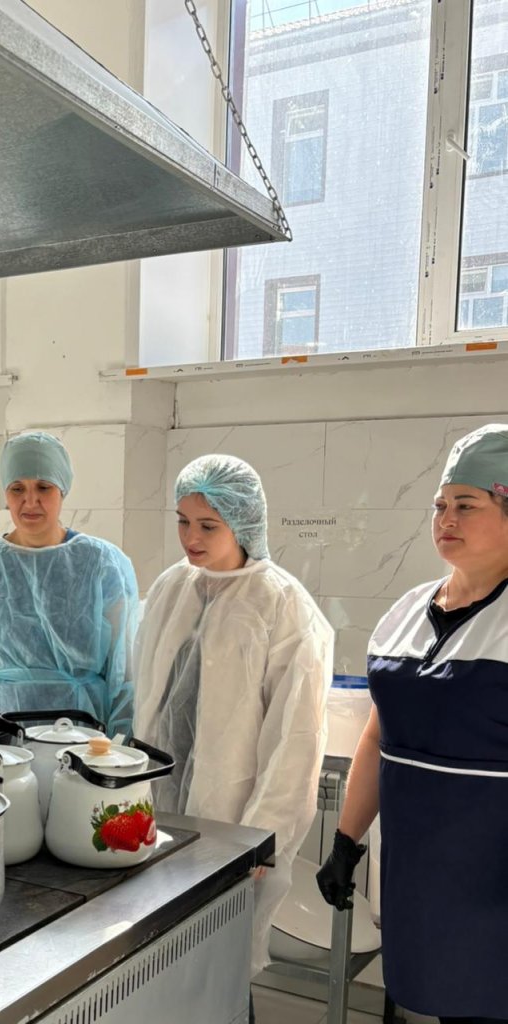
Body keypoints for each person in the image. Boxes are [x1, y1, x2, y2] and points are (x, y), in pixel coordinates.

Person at [317, 424, 508, 1024]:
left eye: (466, 505)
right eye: (439, 505)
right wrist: (346, 840)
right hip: (417, 871)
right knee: (433, 1000)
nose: (446, 518)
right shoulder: (406, 613)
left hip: (495, 876)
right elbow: (381, 735)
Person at [134, 454, 333, 994]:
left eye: (208, 525)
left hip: (233, 821)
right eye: (182, 521)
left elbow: (295, 741)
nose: (190, 538)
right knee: (160, 966)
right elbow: (148, 699)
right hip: (158, 810)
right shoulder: (172, 588)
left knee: (218, 972)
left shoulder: (283, 605)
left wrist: (263, 837)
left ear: (243, 524)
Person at [0, 431, 139, 738]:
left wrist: (118, 742)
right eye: (17, 488)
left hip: (81, 733)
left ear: (62, 489)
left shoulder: (101, 563)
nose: (30, 500)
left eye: (43, 487)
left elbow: (123, 669)